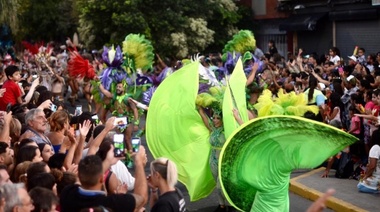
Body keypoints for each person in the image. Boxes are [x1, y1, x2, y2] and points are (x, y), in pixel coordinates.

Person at [60, 149, 148, 212]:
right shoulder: (116, 203)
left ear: (78, 175)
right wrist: (139, 163)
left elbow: (91, 175)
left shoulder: (67, 193)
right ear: (102, 178)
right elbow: (142, 198)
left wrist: (108, 161)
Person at [198, 107, 228, 211]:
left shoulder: (227, 131)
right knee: (217, 184)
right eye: (213, 117)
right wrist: (200, 109)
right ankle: (222, 205)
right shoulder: (213, 130)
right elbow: (204, 118)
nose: (215, 120)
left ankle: (232, 202)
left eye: (218, 118)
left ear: (223, 120)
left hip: (224, 162)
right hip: (213, 161)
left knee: (221, 186)